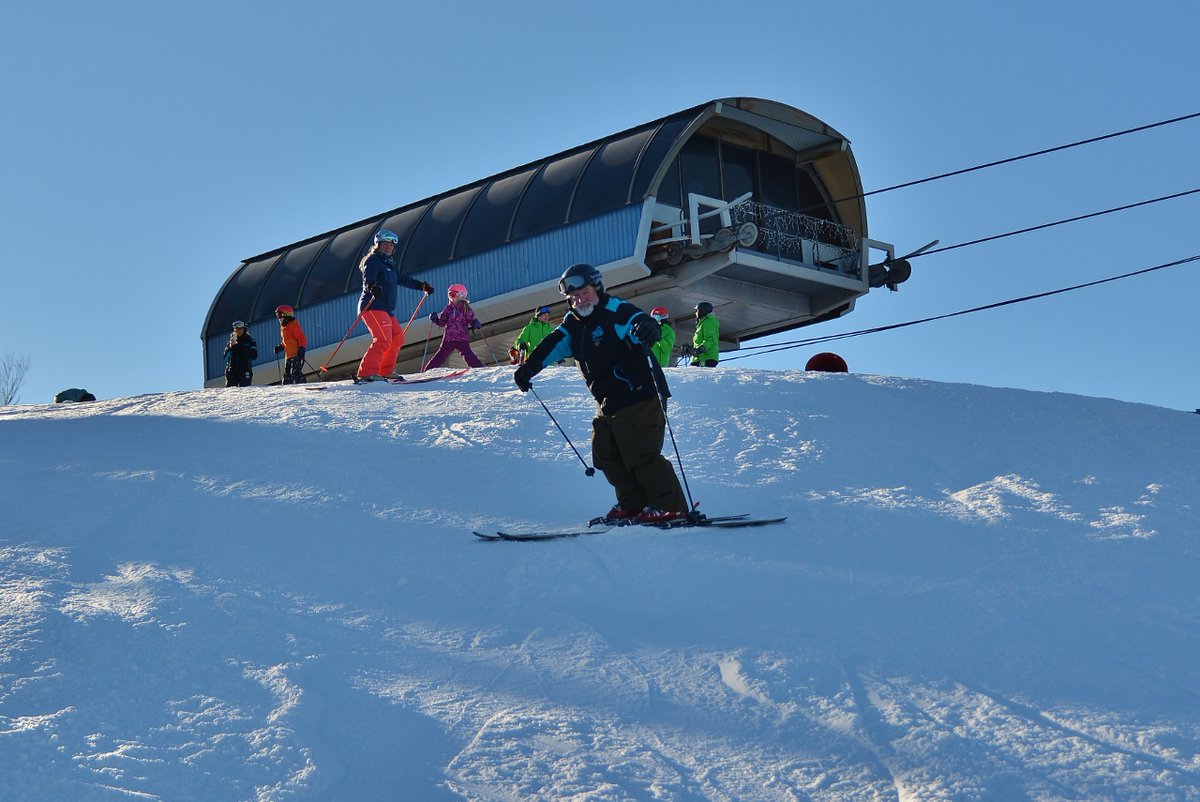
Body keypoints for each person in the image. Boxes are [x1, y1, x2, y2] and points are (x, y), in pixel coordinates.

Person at [513, 263, 689, 524]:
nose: (579, 300)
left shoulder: (614, 310)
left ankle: (669, 506)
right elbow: (552, 345)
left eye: (584, 293)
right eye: (573, 297)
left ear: (597, 288)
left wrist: (648, 327)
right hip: (609, 401)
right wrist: (528, 368)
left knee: (640, 452)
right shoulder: (573, 323)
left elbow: (636, 320)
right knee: (605, 452)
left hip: (640, 392)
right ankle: (633, 503)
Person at [357, 229, 435, 381]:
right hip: (372, 306)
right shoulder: (373, 260)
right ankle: (366, 374)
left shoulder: (390, 266)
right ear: (378, 244)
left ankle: (384, 370)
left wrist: (422, 286)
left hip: (385, 309)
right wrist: (372, 287)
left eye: (391, 245)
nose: (388, 247)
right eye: (385, 244)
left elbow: (403, 279)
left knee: (397, 337)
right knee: (382, 339)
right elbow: (368, 277)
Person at [426, 283, 484, 369]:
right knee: (441, 355)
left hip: (461, 337)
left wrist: (475, 322)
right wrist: (435, 319)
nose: (451, 297)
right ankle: (428, 370)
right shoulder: (448, 309)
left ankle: (479, 368)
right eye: (449, 295)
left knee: (467, 354)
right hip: (449, 338)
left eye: (452, 294)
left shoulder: (464, 308)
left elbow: (470, 318)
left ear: (460, 295)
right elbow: (442, 322)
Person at [272, 305, 308, 384]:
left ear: (287, 315)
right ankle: (287, 391)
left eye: (280, 316)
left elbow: (301, 338)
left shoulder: (293, 325)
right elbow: (286, 341)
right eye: (278, 316)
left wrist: (302, 348)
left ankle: (303, 385)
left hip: (296, 354)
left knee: (295, 373)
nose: (279, 319)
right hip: (288, 356)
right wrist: (280, 347)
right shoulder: (283, 328)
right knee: (287, 375)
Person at [224, 321, 258, 387]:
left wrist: (242, 347)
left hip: (245, 369)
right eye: (236, 329)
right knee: (231, 391)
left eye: (240, 329)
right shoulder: (231, 342)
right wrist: (231, 347)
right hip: (232, 370)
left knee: (245, 389)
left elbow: (254, 355)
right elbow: (225, 357)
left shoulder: (250, 340)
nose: (238, 331)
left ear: (244, 329)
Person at [690, 301, 719, 367]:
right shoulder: (702, 323)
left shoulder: (708, 322)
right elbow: (699, 340)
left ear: (702, 311)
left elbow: (711, 339)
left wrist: (701, 349)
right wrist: (690, 348)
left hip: (706, 358)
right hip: (699, 358)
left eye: (697, 311)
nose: (696, 313)